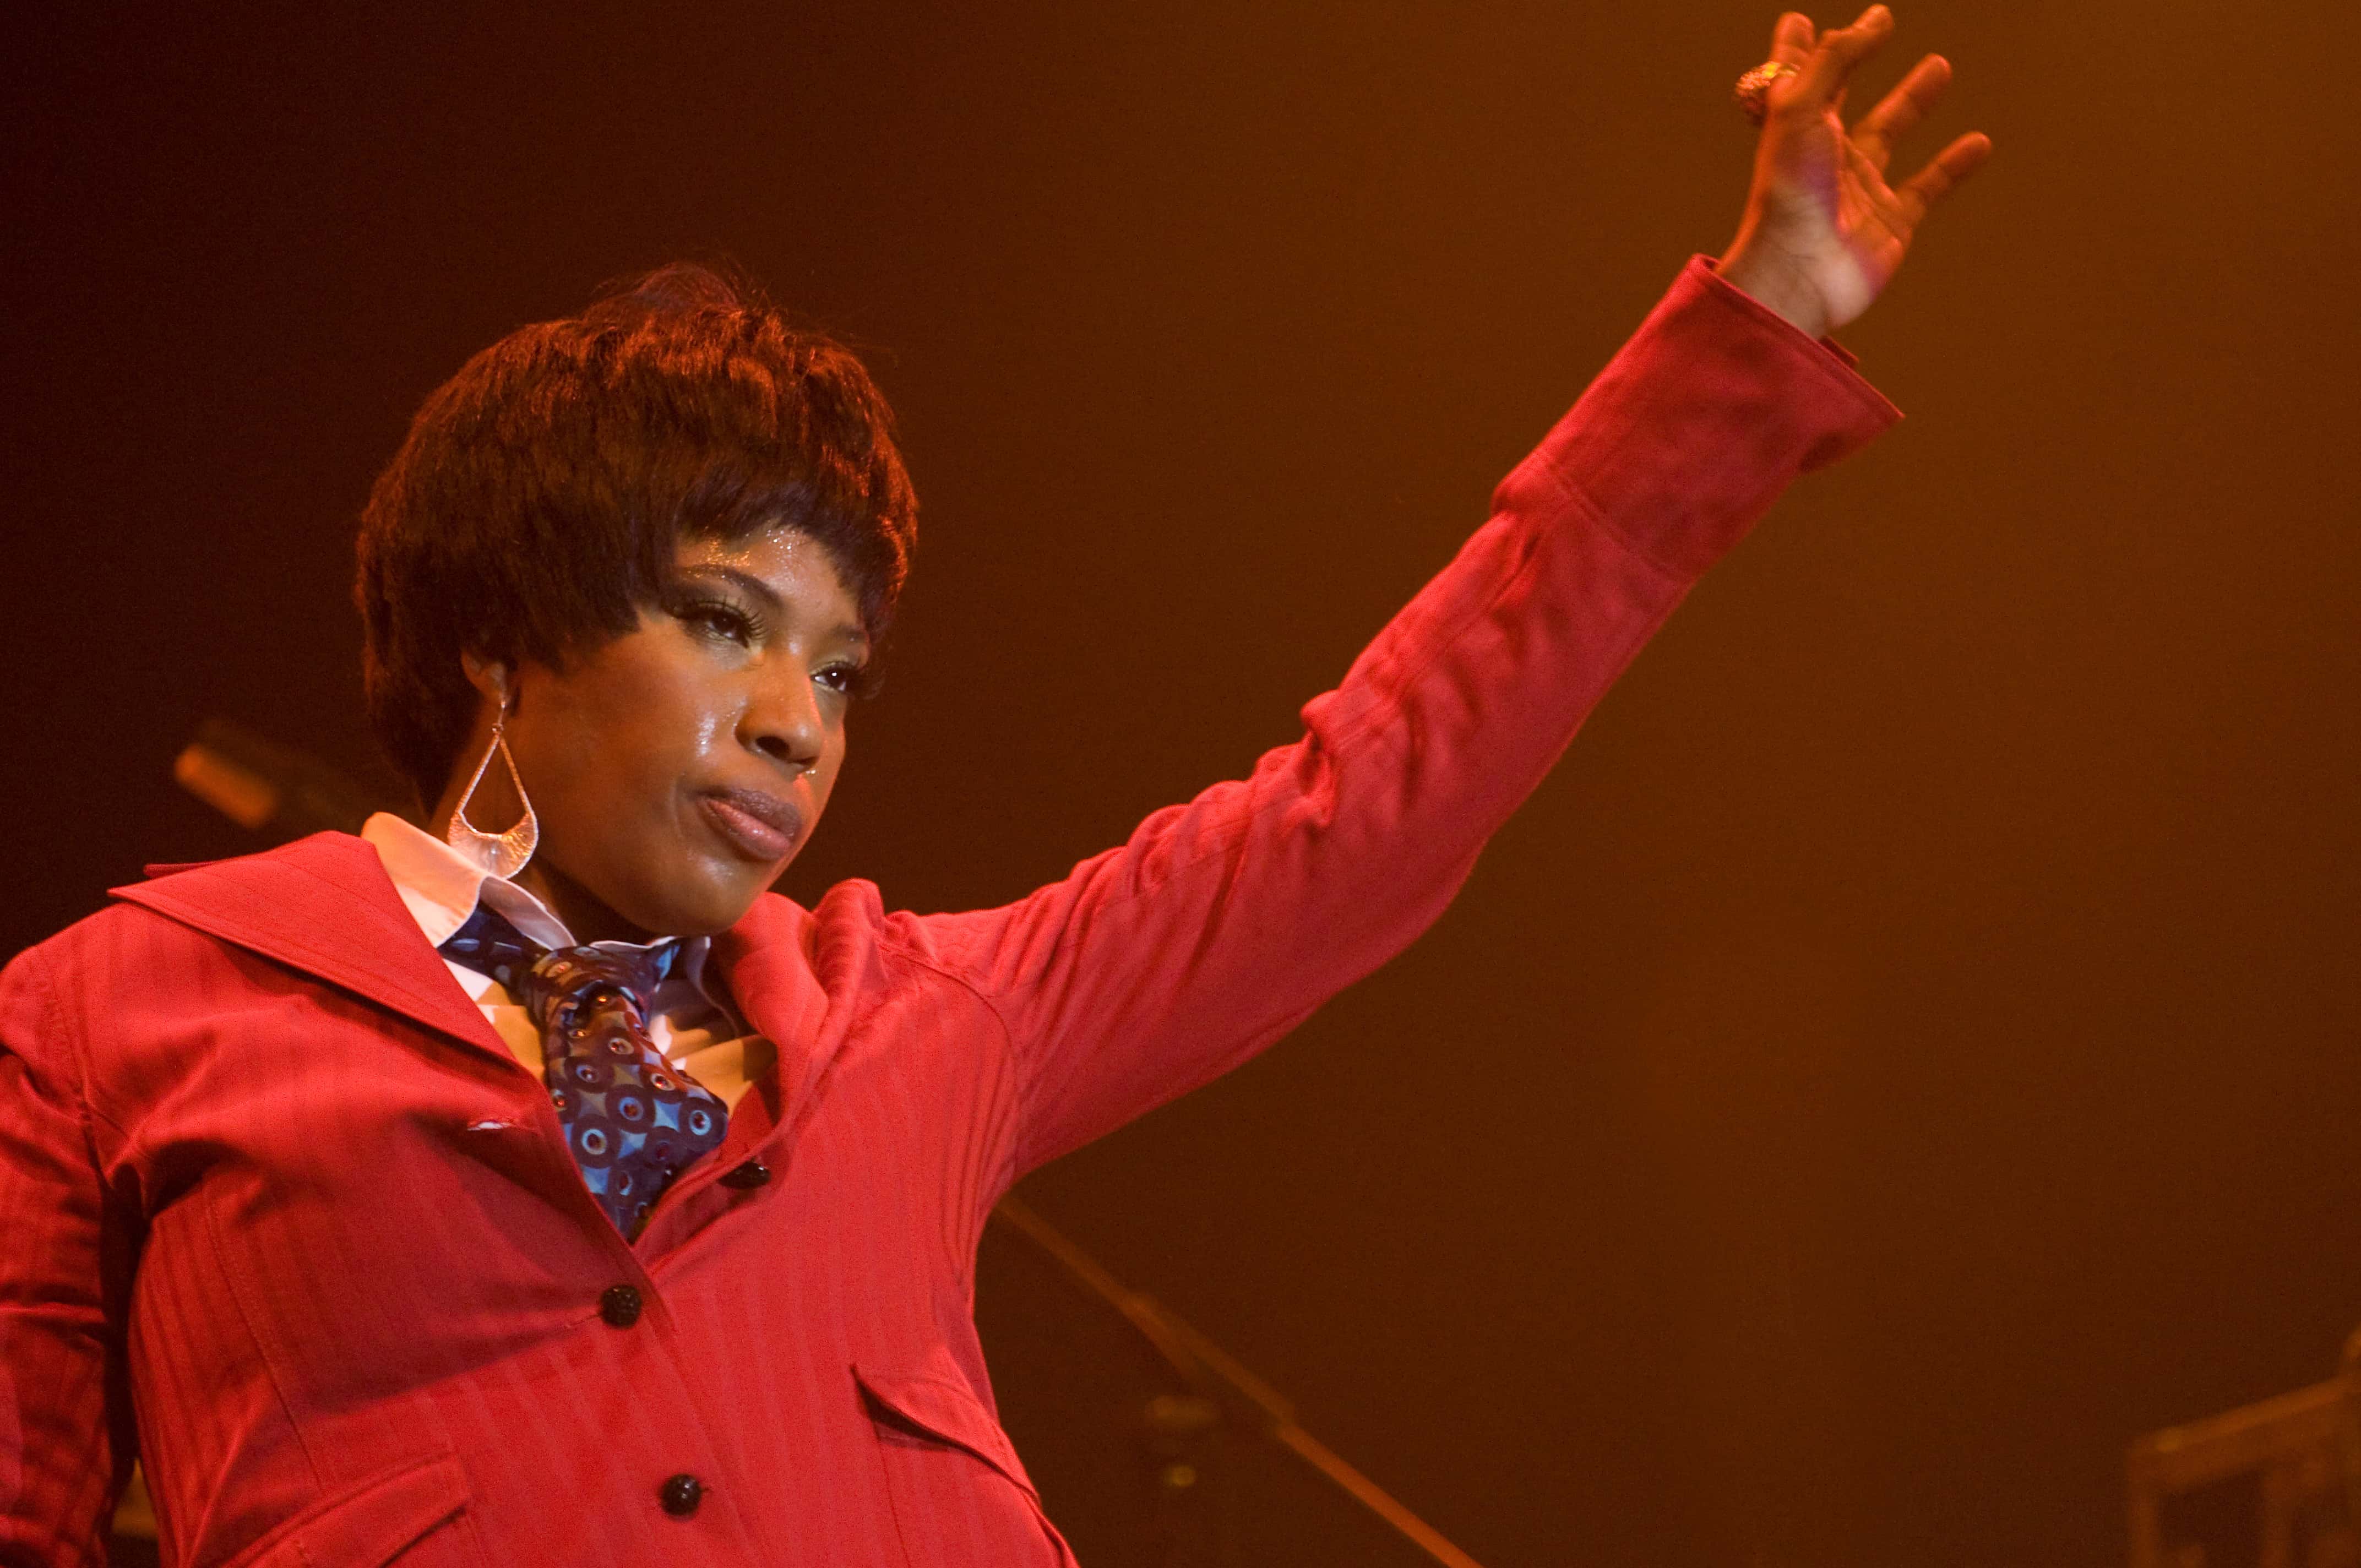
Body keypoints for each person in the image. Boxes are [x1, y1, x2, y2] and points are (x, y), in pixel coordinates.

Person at [0, 9, 1988, 1566]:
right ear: (501, 643)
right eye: (723, 622)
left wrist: (1758, 332)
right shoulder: (112, 1015)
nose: (801, 720)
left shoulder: (923, 1024)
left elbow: (1371, 798)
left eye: (841, 670)